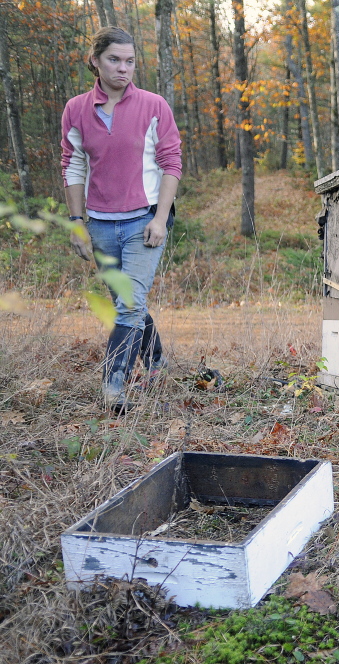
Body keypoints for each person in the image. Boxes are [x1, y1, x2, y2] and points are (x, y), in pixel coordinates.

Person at [61, 27, 182, 410]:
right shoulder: (76, 109)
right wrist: (77, 222)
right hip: (99, 223)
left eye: (130, 61)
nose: (123, 68)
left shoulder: (153, 105)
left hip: (143, 220)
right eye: (115, 60)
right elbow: (73, 165)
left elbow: (171, 164)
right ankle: (158, 364)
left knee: (129, 304)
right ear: (95, 61)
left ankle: (114, 386)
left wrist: (161, 218)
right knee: (129, 304)